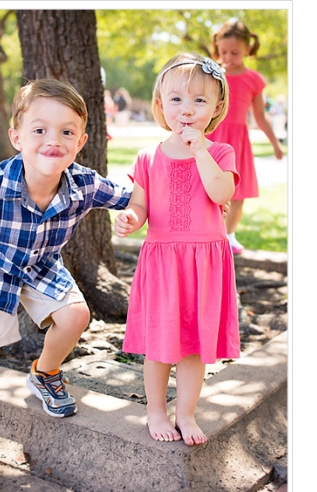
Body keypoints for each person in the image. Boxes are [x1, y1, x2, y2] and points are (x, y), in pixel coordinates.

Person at [0, 79, 133, 492]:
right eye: (39, 129)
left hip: (38, 266)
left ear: (81, 142)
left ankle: (44, 373)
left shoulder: (83, 184)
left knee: (76, 315)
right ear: (17, 137)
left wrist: (142, 211)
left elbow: (132, 195)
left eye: (66, 131)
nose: (53, 140)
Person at [114, 53, 241, 446]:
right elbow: (140, 204)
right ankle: (155, 410)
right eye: (176, 100)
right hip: (164, 263)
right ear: (160, 104)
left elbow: (221, 193)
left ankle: (185, 413)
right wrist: (132, 218)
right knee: (159, 343)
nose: (187, 109)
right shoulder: (148, 156)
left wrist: (199, 150)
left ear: (216, 107)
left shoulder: (220, 153)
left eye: (199, 100)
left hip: (204, 264)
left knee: (193, 346)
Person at [206, 19, 284, 254]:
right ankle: (210, 234)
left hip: (238, 141)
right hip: (213, 136)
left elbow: (260, 115)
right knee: (208, 186)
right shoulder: (212, 73)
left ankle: (229, 235)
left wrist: (275, 144)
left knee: (238, 191)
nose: (228, 57)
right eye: (223, 52)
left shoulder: (254, 79)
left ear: (248, 50)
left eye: (235, 52)